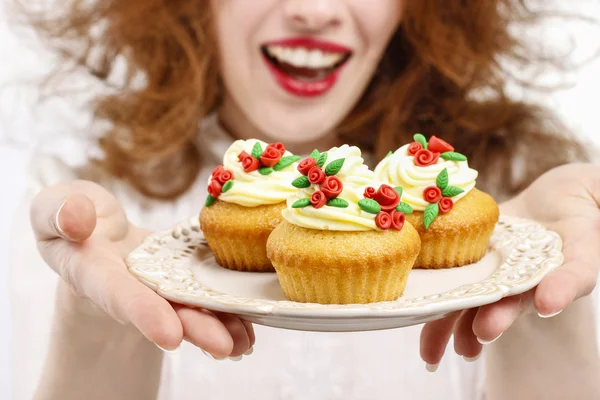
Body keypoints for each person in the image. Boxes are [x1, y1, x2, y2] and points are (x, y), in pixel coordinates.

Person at [9, 1, 600, 399]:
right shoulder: (111, 222)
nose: (313, 12)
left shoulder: (513, 195)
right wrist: (95, 318)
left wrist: (546, 299)